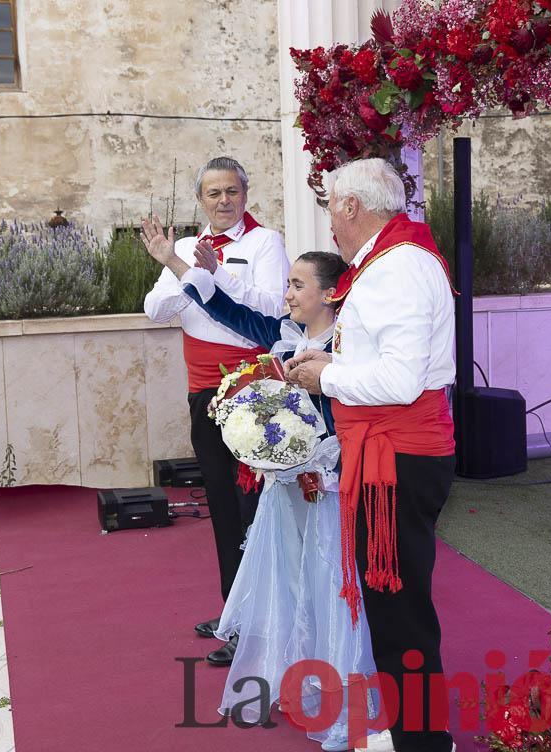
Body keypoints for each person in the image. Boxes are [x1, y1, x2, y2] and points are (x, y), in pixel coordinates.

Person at [286, 158, 458, 752]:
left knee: (400, 612)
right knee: (394, 608)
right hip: (392, 452)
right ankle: (415, 732)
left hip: (397, 454)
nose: (330, 221)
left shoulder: (396, 266)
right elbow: (388, 363)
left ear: (352, 206)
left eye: (331, 207)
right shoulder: (394, 259)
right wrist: (333, 363)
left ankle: (424, 742)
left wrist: (327, 376)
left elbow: (401, 380)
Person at [181, 245, 379, 751]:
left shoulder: (348, 348)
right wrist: (189, 274)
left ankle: (341, 692)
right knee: (289, 580)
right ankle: (301, 674)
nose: (287, 294)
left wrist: (316, 453)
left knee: (328, 581)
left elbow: (349, 417)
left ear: (329, 294)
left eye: (297, 285)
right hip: (284, 486)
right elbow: (234, 314)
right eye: (287, 284)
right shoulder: (285, 335)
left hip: (327, 486)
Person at [141, 157, 289, 666]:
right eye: (213, 193)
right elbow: (155, 310)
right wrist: (178, 268)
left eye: (231, 191)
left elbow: (270, 308)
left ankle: (261, 621)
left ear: (245, 194)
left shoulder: (265, 243)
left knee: (254, 507)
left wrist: (212, 276)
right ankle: (235, 613)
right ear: (200, 200)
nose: (223, 201)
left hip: (253, 392)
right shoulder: (184, 248)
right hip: (202, 393)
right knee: (222, 507)